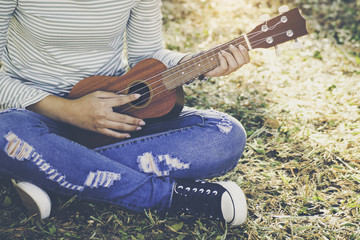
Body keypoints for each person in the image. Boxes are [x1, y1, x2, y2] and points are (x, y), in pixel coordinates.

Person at [0, 0, 250, 226]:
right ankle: (171, 197)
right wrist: (68, 110)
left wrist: (196, 64)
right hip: (35, 115)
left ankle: (54, 172)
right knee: (5, 131)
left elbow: (148, 54)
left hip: (117, 114)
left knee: (225, 134)